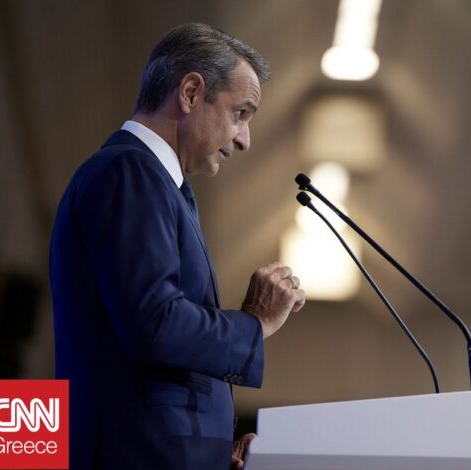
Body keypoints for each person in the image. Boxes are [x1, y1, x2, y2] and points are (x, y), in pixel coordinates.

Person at [49, 23, 305, 469]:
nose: (244, 139)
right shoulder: (129, 172)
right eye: (240, 113)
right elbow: (153, 322)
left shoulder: (155, 183)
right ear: (190, 93)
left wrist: (213, 453)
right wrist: (255, 323)